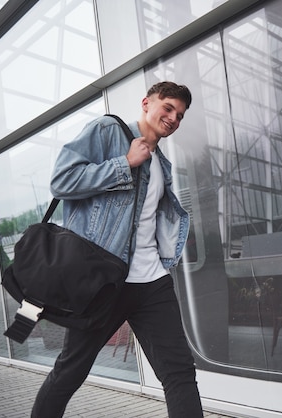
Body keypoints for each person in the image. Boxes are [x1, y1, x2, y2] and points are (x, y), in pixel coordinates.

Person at [31, 81, 203, 417]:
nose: (173, 118)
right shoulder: (108, 131)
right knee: (71, 371)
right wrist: (124, 163)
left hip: (152, 283)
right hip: (104, 283)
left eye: (179, 115)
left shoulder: (162, 165)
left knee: (180, 373)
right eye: (167, 107)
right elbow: (61, 181)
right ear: (146, 103)